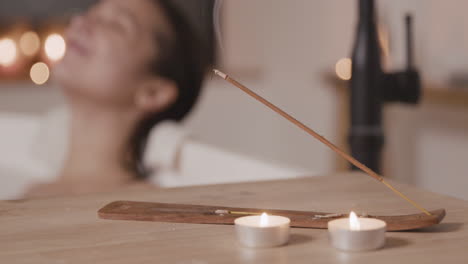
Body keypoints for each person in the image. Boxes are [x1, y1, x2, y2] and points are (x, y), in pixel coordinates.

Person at [26, 0, 212, 197]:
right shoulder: (30, 193)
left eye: (115, 23)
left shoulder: (144, 206)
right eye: (89, 14)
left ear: (153, 92)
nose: (79, 22)